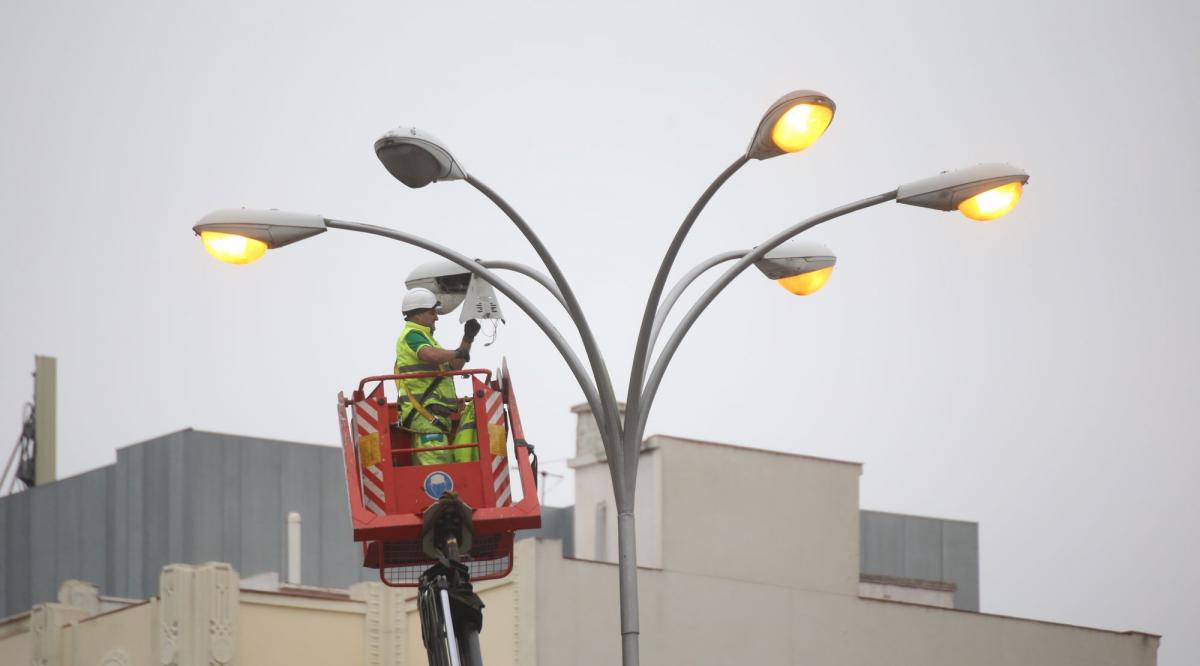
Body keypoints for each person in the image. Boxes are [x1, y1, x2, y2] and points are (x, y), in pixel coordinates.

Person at [395, 287, 482, 465]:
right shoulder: (412, 335)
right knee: (439, 472)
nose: (437, 316)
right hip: (426, 416)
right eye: (432, 312)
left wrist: (468, 339)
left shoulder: (427, 339)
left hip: (434, 418)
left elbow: (454, 365)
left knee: (441, 467)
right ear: (418, 315)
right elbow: (430, 355)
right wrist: (457, 352)